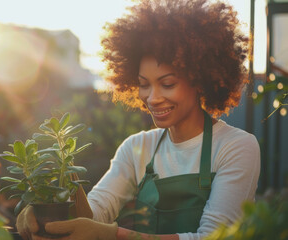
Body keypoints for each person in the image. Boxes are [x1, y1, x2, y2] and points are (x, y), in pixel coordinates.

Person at [16, 0, 261, 239]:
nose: (152, 98)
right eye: (144, 85)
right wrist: (45, 210)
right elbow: (95, 213)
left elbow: (213, 237)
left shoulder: (236, 147)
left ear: (199, 79)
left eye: (167, 84)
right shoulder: (137, 148)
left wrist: (113, 235)